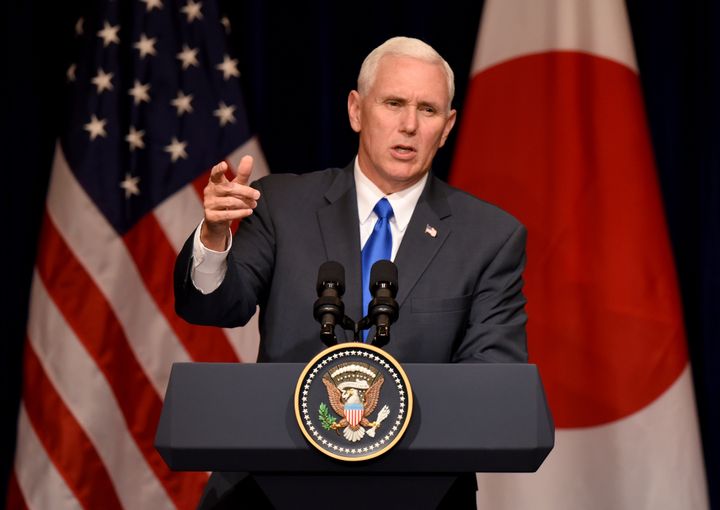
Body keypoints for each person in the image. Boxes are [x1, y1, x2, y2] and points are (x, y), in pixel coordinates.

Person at [175, 36, 528, 509]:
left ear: (447, 127)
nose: (408, 125)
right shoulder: (282, 205)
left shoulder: (489, 236)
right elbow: (215, 307)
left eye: (427, 110)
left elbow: (494, 379)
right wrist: (215, 236)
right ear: (356, 110)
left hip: (419, 493)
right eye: (394, 103)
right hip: (269, 490)